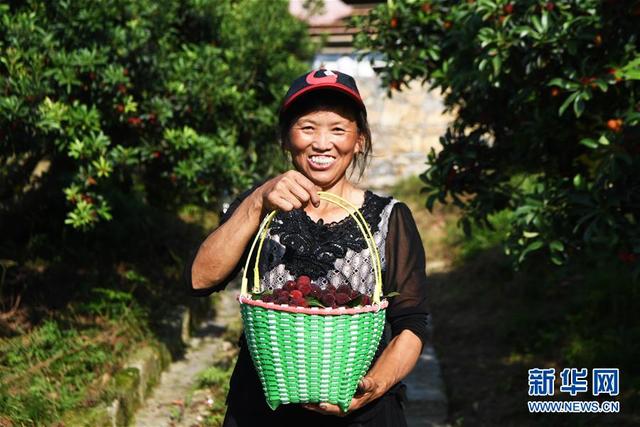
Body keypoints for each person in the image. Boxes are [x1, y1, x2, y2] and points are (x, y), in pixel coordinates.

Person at [184, 69, 428, 427]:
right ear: (286, 139)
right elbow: (199, 280)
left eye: (338, 129)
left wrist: (375, 385)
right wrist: (256, 203)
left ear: (359, 140)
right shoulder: (260, 210)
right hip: (265, 411)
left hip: (360, 414)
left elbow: (411, 323)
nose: (322, 143)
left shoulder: (390, 218)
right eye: (307, 127)